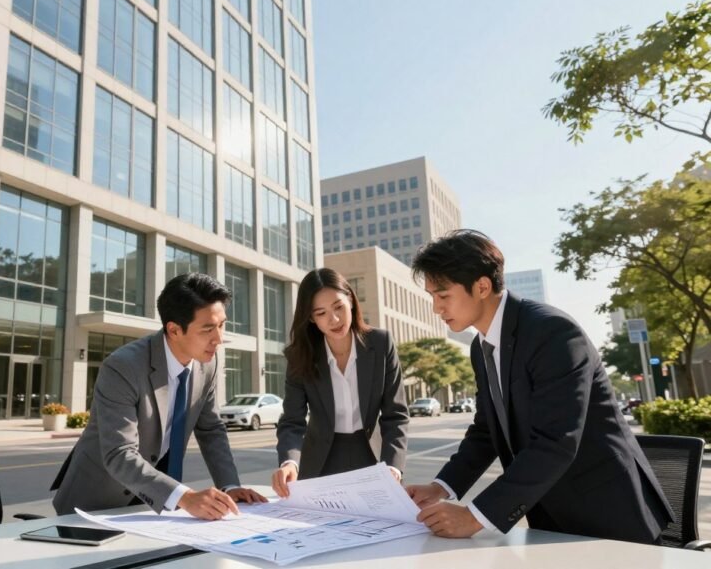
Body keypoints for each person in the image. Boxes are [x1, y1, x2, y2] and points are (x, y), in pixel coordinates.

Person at [405, 230, 672, 543]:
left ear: (481, 287)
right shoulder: (481, 347)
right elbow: (485, 430)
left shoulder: (552, 332)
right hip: (548, 518)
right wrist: (442, 487)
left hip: (609, 517)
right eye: (432, 298)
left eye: (443, 295)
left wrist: (475, 517)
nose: (436, 308)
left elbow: (556, 441)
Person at [52, 273, 266, 519]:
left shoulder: (207, 364)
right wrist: (184, 497)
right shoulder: (123, 367)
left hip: (158, 504)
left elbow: (211, 430)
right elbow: (119, 453)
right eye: (208, 329)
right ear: (174, 330)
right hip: (96, 503)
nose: (218, 338)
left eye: (221, 325)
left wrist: (230, 485)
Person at [272, 268, 409, 498]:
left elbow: (395, 415)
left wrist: (393, 466)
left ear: (351, 301)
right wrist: (289, 462)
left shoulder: (381, 343)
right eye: (321, 313)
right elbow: (292, 421)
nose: (334, 319)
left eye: (338, 307)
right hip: (320, 462)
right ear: (312, 319)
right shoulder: (300, 356)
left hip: (372, 457)